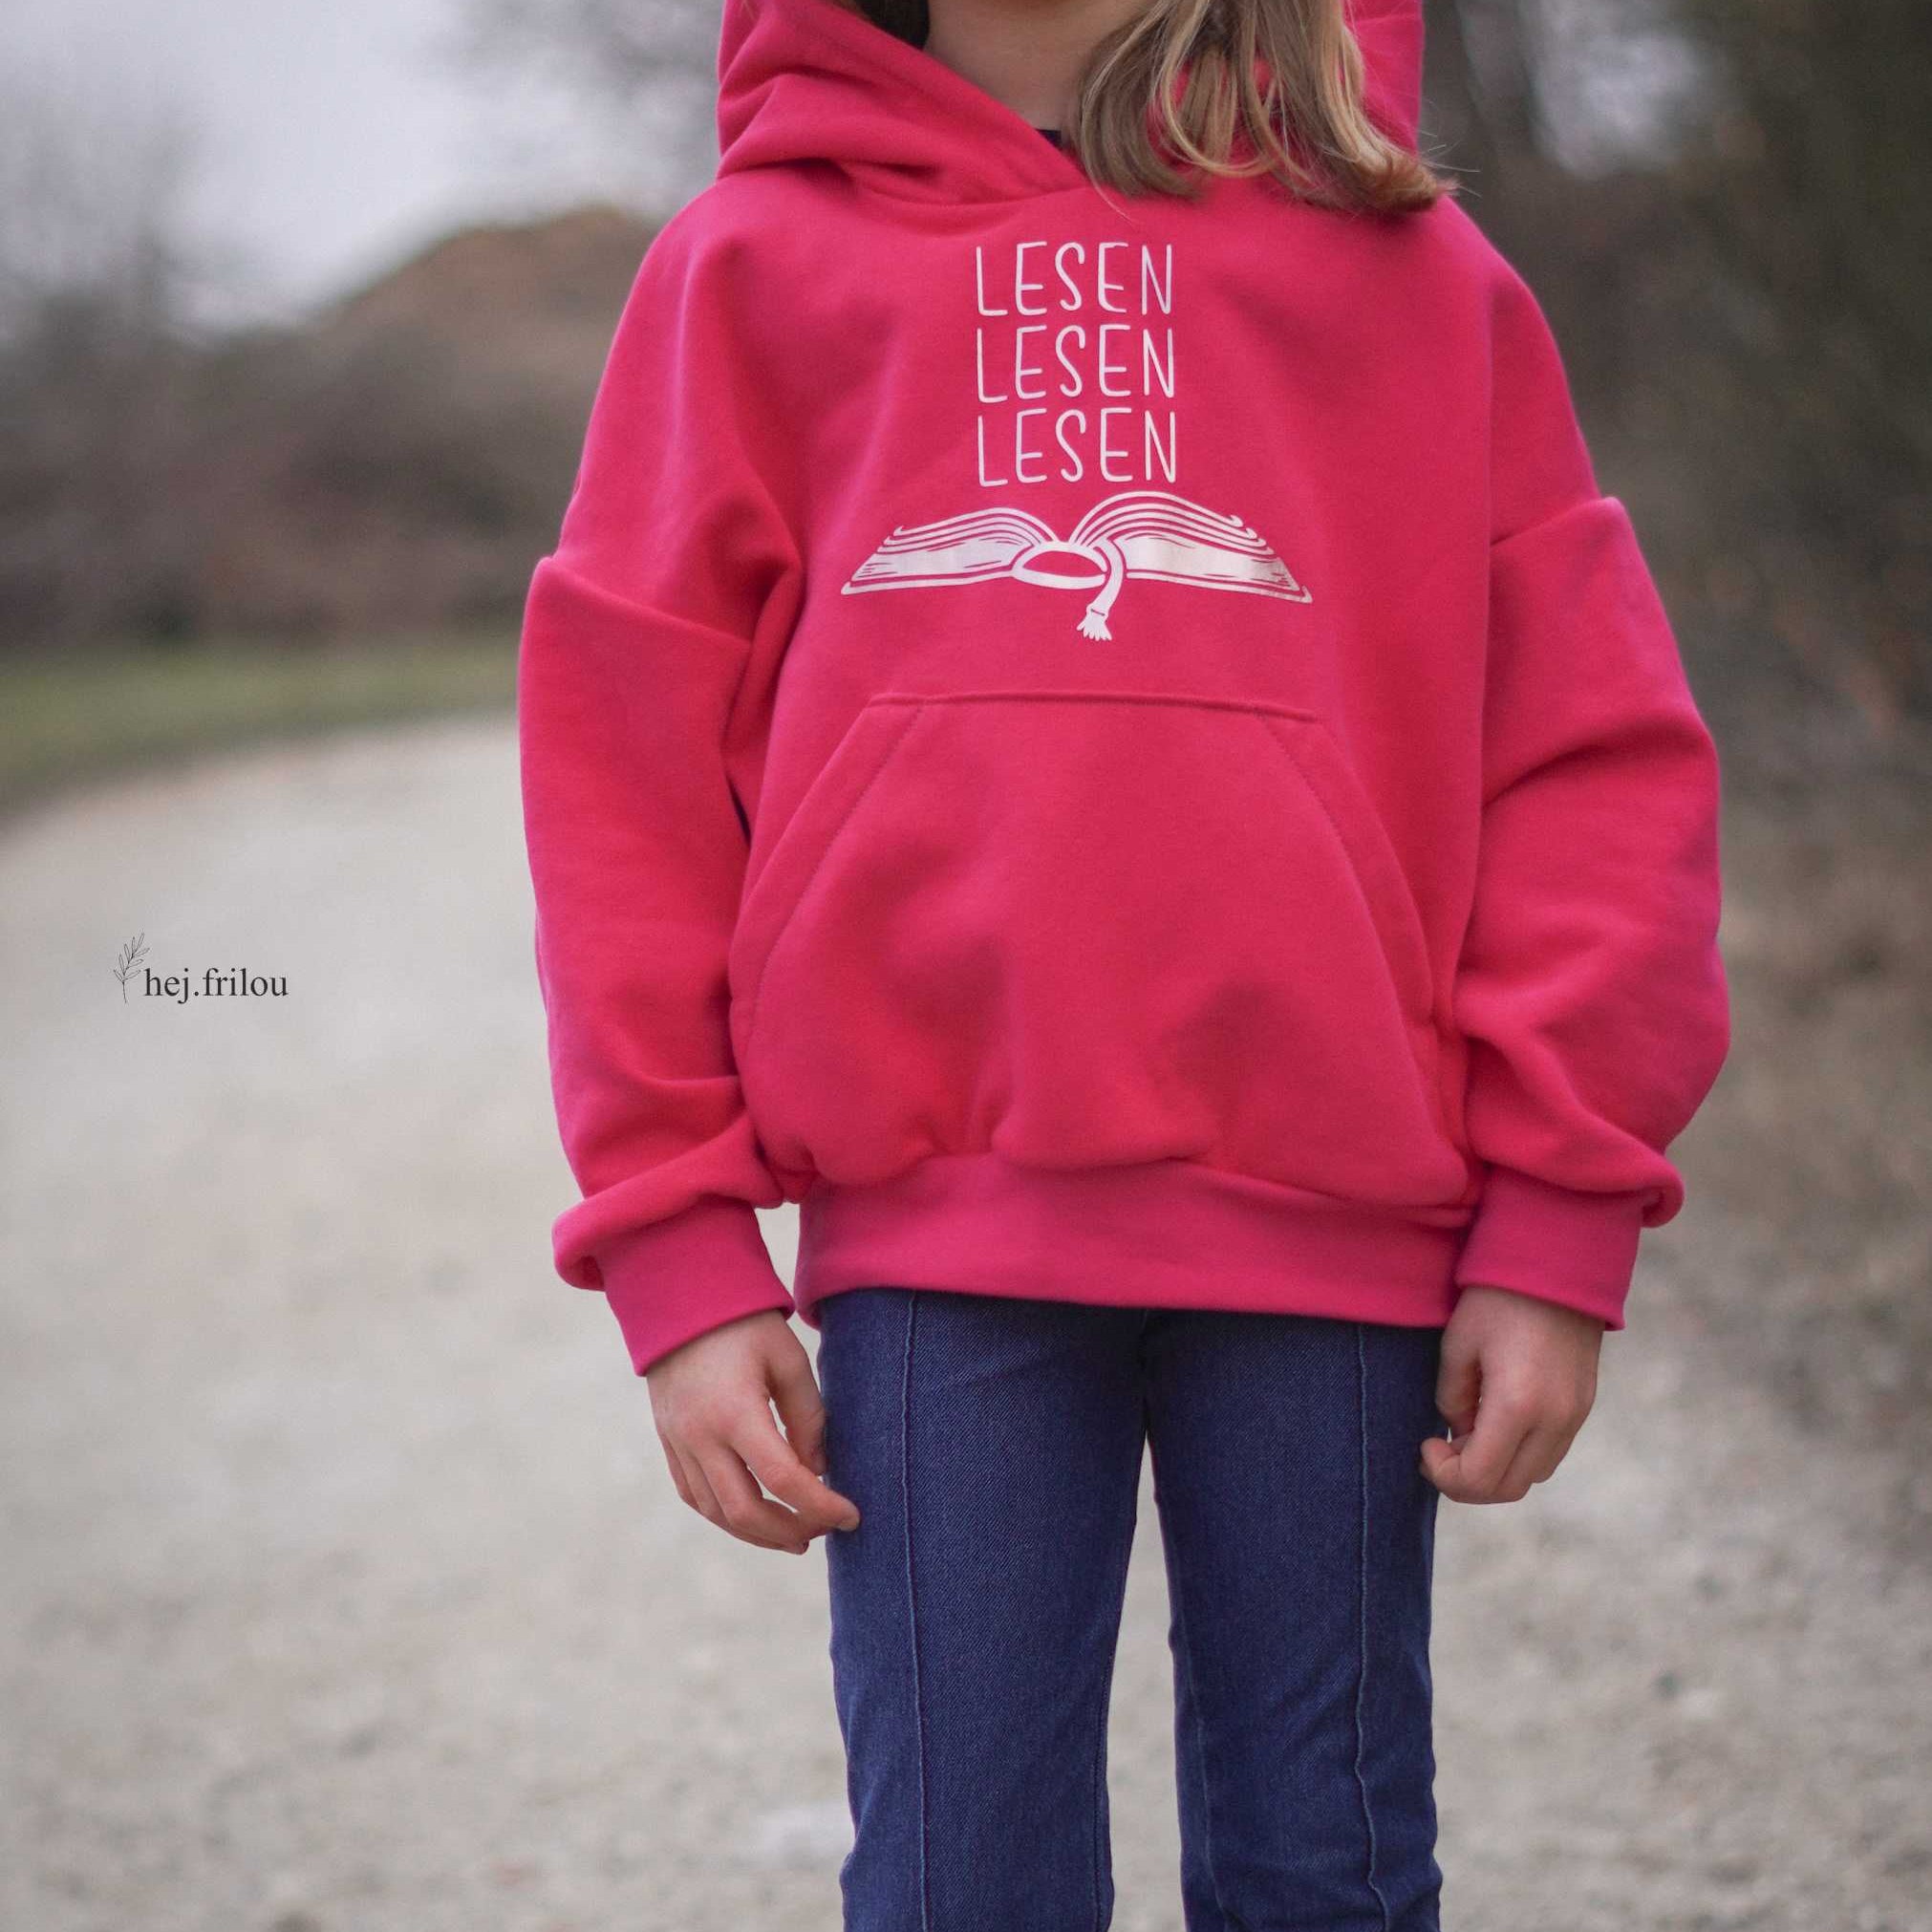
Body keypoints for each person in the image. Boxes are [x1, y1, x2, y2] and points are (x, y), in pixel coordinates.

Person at [514, 0, 1731, 1923]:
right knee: (962, 1883)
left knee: (1326, 1874)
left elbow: (1587, 752)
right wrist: (675, 1243)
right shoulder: (748, 267)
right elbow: (624, 773)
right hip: (938, 1252)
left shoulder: (1415, 273)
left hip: (1339, 1227)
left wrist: (1562, 1204)